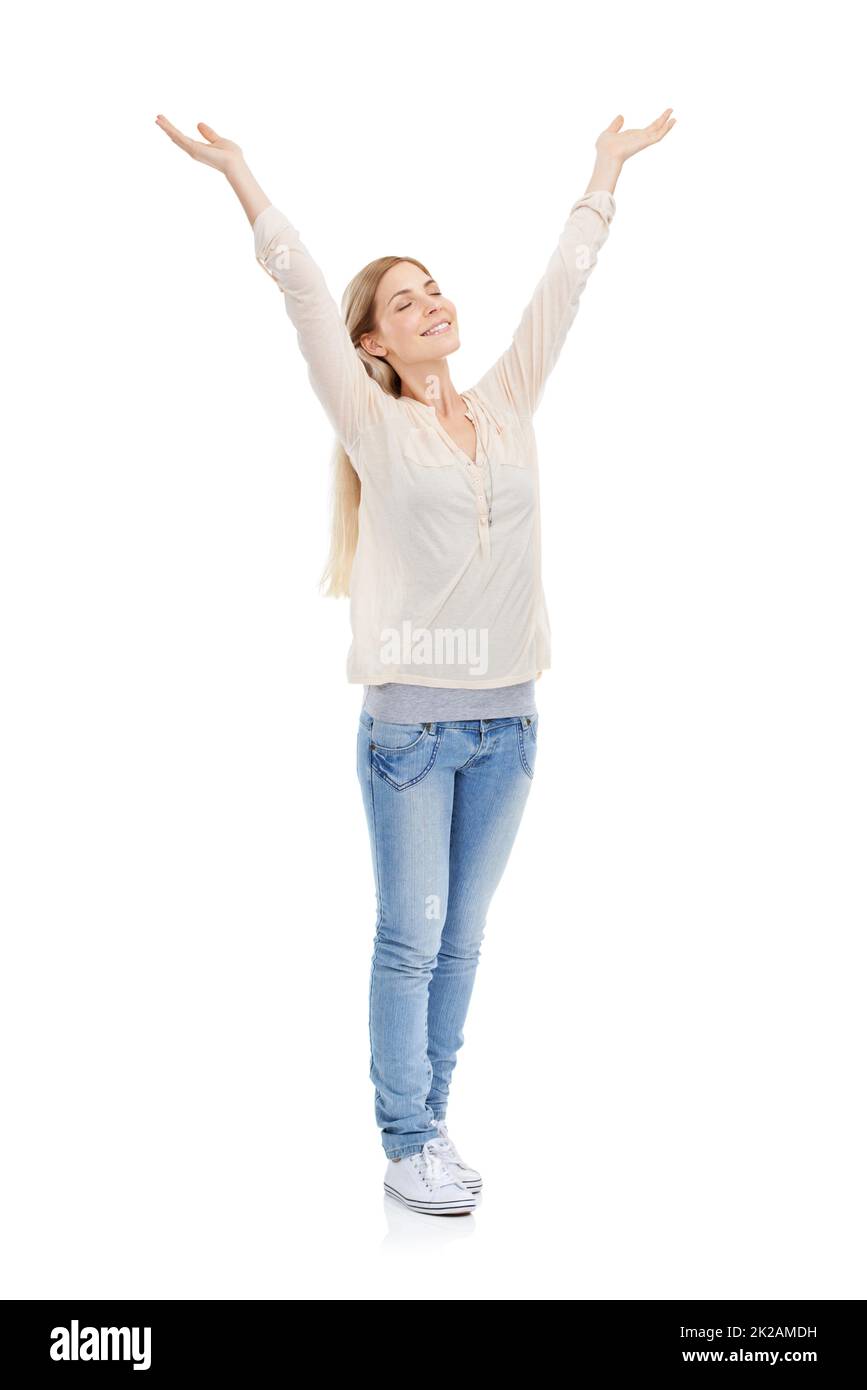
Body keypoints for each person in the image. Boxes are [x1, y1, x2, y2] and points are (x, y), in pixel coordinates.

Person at [157, 108, 676, 1216]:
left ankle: (433, 1125)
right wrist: (241, 176)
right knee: (410, 937)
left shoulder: (502, 405)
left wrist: (605, 172)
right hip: (411, 730)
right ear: (374, 346)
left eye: (433, 286)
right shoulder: (371, 423)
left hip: (511, 724)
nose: (431, 302)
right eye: (404, 300)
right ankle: (405, 1140)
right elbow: (301, 293)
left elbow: (562, 291)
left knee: (466, 938)